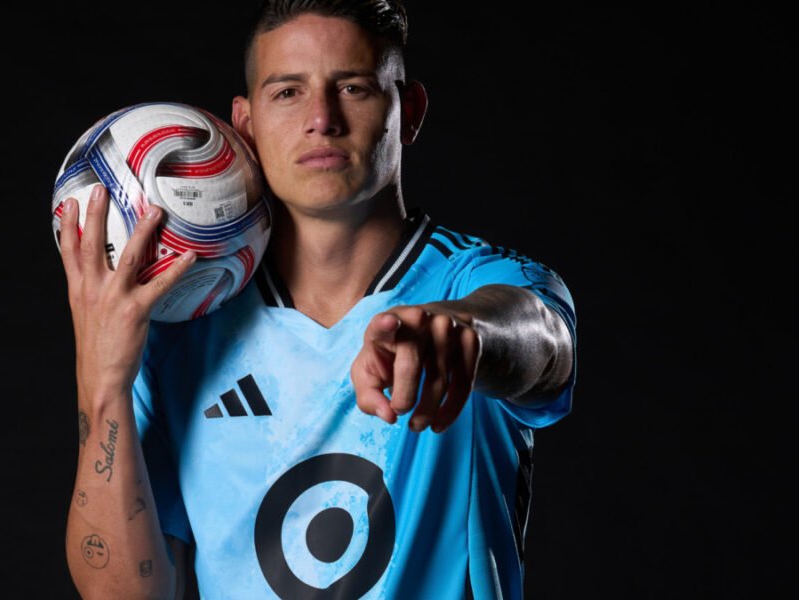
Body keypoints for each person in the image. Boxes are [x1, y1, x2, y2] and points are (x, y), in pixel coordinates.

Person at [56, 1, 577, 598]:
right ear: (245, 125)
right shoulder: (183, 333)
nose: (321, 119)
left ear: (409, 112)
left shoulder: (476, 283)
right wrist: (103, 382)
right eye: (288, 92)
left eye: (353, 88)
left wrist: (465, 334)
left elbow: (543, 343)